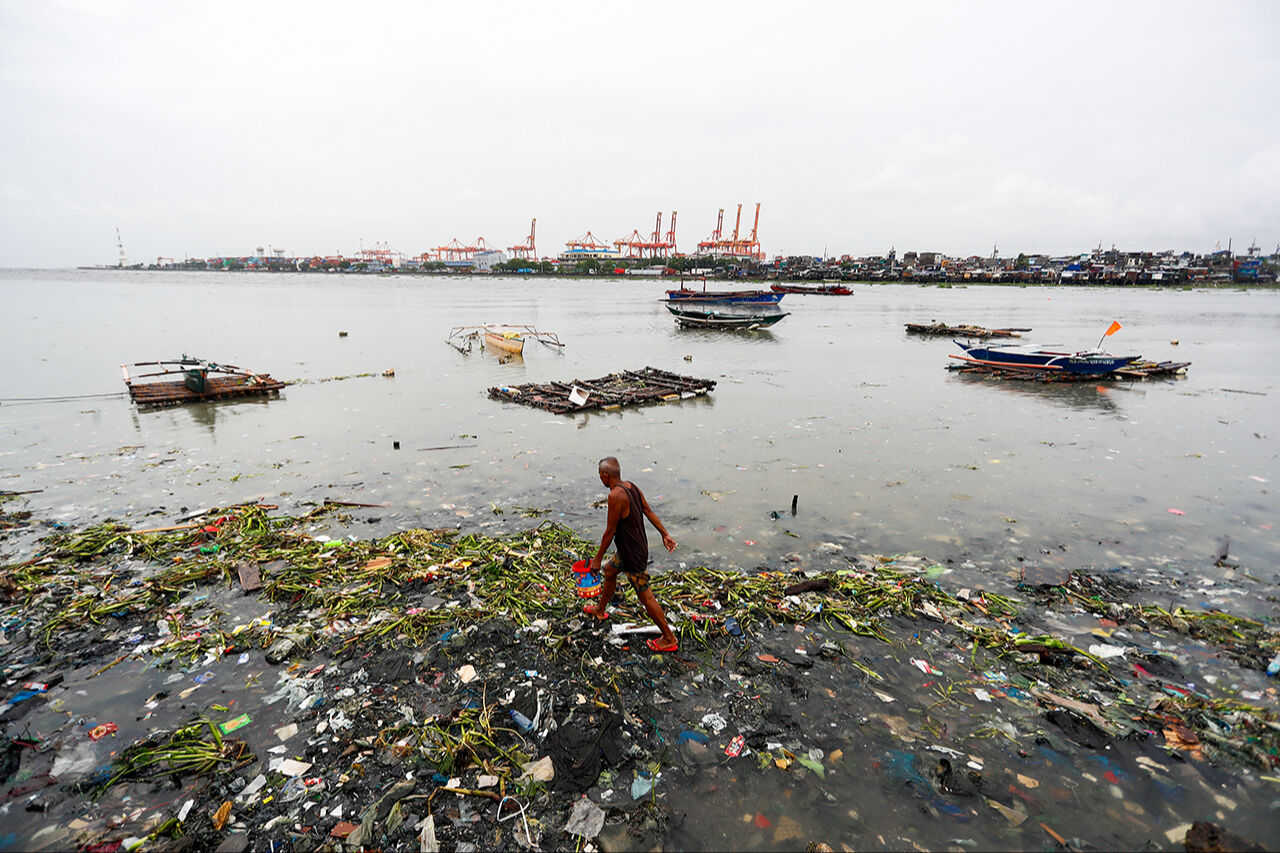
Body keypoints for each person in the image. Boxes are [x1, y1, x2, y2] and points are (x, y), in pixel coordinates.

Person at [583, 456, 679, 653]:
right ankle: (600, 611)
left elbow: (610, 531)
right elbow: (648, 511)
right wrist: (665, 534)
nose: (600, 478)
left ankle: (669, 637)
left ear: (605, 475)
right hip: (630, 550)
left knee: (646, 597)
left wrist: (597, 559)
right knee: (610, 571)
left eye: (600, 475)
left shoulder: (615, 496)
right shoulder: (631, 487)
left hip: (633, 555)